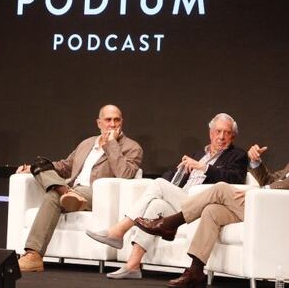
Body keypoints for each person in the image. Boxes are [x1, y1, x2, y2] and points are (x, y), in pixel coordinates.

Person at [86, 113, 248, 279]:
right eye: (218, 131)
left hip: (201, 204)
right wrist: (179, 172)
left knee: (157, 184)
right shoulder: (200, 153)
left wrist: (203, 168)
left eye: (227, 133)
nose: (221, 137)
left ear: (233, 136)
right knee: (156, 204)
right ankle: (133, 266)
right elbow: (169, 175)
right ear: (211, 133)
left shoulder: (238, 156)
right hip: (182, 200)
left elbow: (234, 179)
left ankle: (119, 230)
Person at [134, 144, 289, 287]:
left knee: (220, 188)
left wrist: (259, 191)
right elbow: (271, 181)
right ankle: (196, 271)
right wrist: (256, 162)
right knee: (212, 211)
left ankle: (171, 223)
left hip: (275, 213)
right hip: (263, 206)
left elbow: (278, 187)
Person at [15, 104, 143, 272]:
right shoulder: (87, 143)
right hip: (74, 190)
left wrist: (111, 144)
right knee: (40, 166)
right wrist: (33, 168)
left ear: (122, 122)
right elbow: (65, 166)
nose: (112, 124)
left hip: (96, 194)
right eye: (108, 120)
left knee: (53, 196)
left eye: (116, 120)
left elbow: (125, 174)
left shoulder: (132, 147)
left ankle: (33, 255)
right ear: (99, 123)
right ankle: (64, 192)